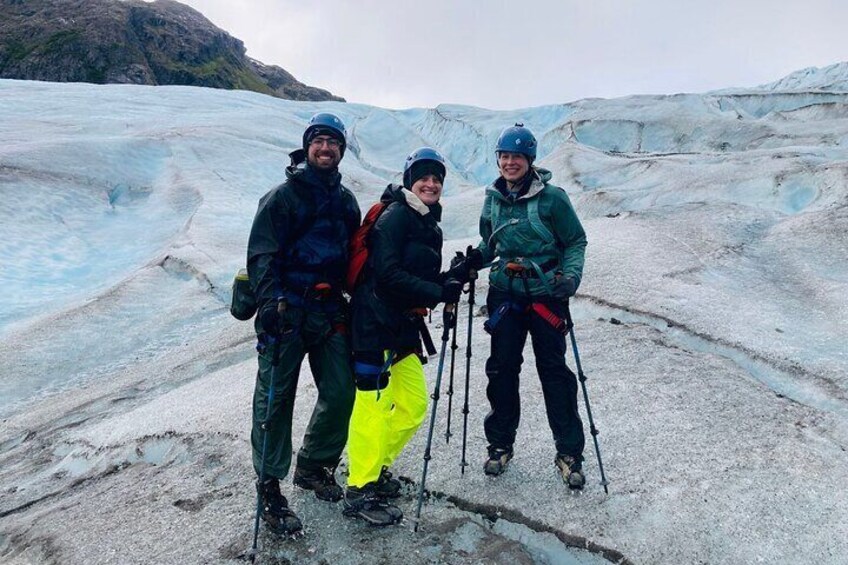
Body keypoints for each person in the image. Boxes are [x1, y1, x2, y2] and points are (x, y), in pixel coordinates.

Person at [246, 113, 361, 535]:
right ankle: (269, 484)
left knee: (342, 390)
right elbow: (261, 254)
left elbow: (353, 254)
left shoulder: (346, 201)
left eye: (333, 142)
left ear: (341, 150)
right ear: (307, 147)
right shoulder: (283, 197)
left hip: (329, 310)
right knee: (275, 400)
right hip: (287, 311)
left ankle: (313, 466)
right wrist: (271, 302)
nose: (325, 149)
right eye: (319, 142)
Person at [344, 147, 469, 525]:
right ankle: (359, 488)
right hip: (373, 324)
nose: (430, 183)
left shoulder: (428, 223)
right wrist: (438, 292)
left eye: (437, 179)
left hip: (402, 329)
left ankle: (376, 468)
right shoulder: (397, 216)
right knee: (372, 407)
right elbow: (387, 275)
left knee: (412, 406)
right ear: (409, 179)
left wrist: (453, 276)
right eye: (423, 177)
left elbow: (421, 278)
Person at [470, 123, 589, 489]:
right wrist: (474, 259)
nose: (509, 162)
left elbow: (575, 241)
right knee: (502, 369)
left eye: (516, 156)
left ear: (530, 160)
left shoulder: (553, 198)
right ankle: (500, 444)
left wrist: (570, 278)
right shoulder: (493, 198)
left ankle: (569, 451)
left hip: (545, 294)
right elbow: (490, 243)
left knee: (553, 371)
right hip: (505, 293)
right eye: (504, 156)